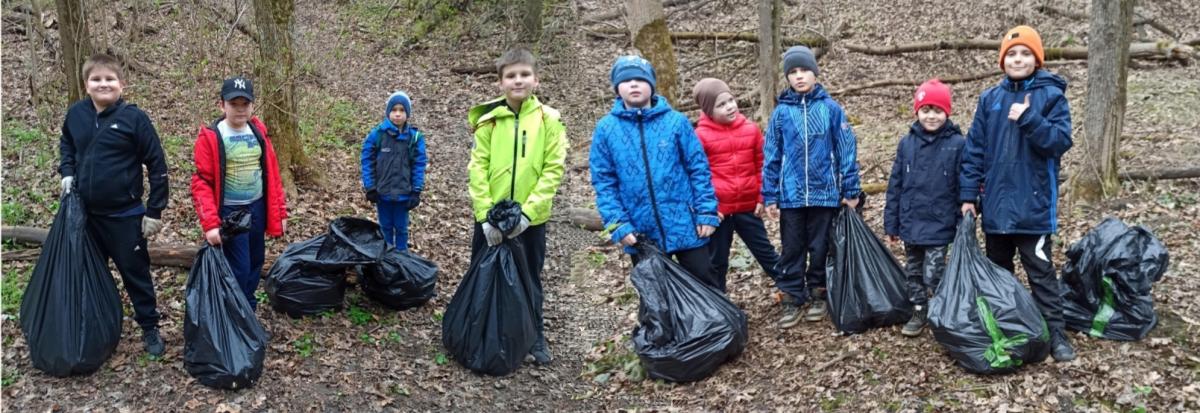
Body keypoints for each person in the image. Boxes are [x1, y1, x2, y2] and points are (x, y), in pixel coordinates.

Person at [959, 25, 1076, 361]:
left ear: (1037, 59)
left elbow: (1059, 142)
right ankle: (1007, 327)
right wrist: (968, 196)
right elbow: (974, 151)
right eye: (1012, 54)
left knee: (1041, 273)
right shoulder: (990, 99)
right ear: (1002, 60)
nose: (1018, 59)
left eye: (1026, 53)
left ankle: (1056, 334)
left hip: (1033, 206)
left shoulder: (1051, 96)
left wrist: (1029, 119)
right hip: (996, 206)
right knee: (998, 273)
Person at [58, 53, 169, 356]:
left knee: (135, 274)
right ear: (86, 84)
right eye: (96, 79)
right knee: (88, 272)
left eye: (109, 79)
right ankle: (93, 327)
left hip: (125, 217)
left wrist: (154, 211)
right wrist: (67, 172)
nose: (103, 84)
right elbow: (67, 144)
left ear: (122, 84)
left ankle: (149, 327)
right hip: (86, 216)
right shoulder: (76, 114)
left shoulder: (134, 119)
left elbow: (157, 165)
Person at [466, 48, 567, 365]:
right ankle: (480, 333)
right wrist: (485, 216)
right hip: (492, 218)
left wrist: (528, 213)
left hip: (530, 220)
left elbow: (553, 170)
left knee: (529, 277)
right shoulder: (489, 122)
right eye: (511, 76)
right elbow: (477, 169)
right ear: (500, 83)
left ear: (536, 80)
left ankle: (534, 337)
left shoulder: (549, 120)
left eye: (524, 74)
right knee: (485, 273)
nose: (518, 80)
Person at [589, 56, 721, 288]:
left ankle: (716, 315)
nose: (633, 84)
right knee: (654, 293)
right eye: (626, 80)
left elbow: (698, 169)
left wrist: (706, 212)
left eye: (640, 79)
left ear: (651, 84)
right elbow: (604, 182)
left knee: (705, 282)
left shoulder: (676, 122)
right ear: (617, 88)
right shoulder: (606, 129)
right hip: (640, 230)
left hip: (687, 223)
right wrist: (618, 224)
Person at [761, 46, 862, 328]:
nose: (799, 76)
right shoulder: (781, 113)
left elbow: (846, 150)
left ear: (815, 73)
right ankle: (792, 295)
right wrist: (770, 194)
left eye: (804, 70)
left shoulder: (830, 109)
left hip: (824, 193)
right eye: (793, 72)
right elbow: (771, 155)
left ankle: (819, 291)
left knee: (820, 246)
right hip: (791, 195)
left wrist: (850, 190)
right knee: (792, 247)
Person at [191, 76, 289, 311]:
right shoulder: (212, 137)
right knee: (239, 266)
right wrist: (210, 225)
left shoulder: (258, 131)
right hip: (231, 213)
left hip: (257, 208)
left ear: (252, 105)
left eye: (245, 104)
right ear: (222, 105)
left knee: (255, 261)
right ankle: (235, 311)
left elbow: (272, 175)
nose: (240, 109)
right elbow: (202, 183)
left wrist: (280, 212)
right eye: (233, 104)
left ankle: (248, 307)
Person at [883, 79, 965, 337]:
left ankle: (943, 310)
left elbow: (965, 183)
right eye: (926, 110)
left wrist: (964, 218)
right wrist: (892, 223)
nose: (931, 116)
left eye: (938, 111)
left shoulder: (957, 144)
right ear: (917, 111)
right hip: (911, 221)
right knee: (914, 272)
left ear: (947, 113)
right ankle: (919, 309)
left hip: (940, 222)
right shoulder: (906, 144)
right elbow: (895, 185)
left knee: (934, 272)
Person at [691, 77, 781, 292]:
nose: (730, 107)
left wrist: (761, 196)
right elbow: (697, 175)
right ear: (708, 110)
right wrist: (707, 209)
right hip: (719, 211)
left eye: (731, 100)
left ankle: (791, 287)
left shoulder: (751, 129)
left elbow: (762, 165)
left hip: (748, 206)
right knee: (717, 260)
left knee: (765, 252)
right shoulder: (700, 136)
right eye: (721, 105)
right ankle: (718, 301)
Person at [361, 90, 428, 249]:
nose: (397, 114)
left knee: (401, 228)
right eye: (394, 110)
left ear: (407, 113)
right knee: (385, 227)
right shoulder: (377, 135)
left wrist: (416, 191)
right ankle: (387, 256)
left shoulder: (414, 138)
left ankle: (401, 256)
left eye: (402, 110)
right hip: (382, 192)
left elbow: (419, 165)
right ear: (388, 112)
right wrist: (370, 187)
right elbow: (367, 160)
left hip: (404, 194)